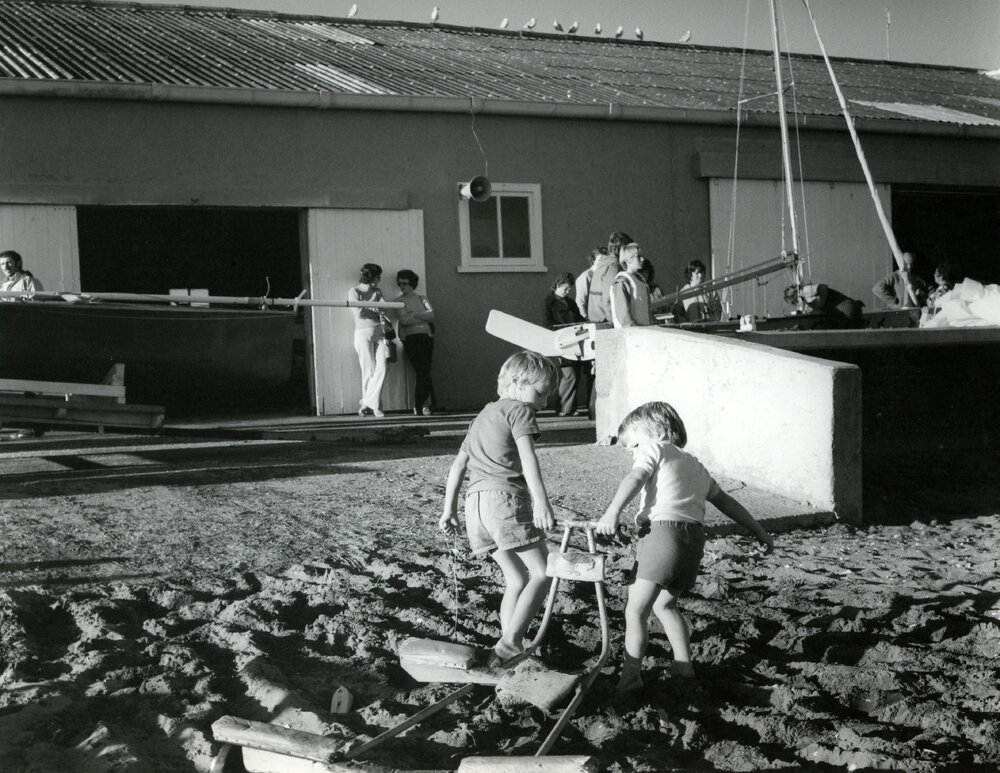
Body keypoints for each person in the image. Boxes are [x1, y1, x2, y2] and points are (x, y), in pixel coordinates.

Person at [596, 401, 773, 693]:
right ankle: (683, 666)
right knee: (665, 605)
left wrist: (612, 511)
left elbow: (635, 477)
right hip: (693, 542)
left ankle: (630, 678)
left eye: (634, 445)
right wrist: (759, 531)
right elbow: (727, 503)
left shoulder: (656, 449)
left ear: (659, 431)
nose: (634, 454)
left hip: (661, 534)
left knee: (635, 610)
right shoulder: (698, 467)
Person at [440, 350, 560, 667]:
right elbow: (529, 458)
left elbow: (458, 465)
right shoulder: (519, 410)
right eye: (540, 393)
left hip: (475, 507)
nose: (543, 403)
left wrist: (448, 509)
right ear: (518, 382)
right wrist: (541, 501)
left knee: (517, 579)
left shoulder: (482, 416)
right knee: (544, 571)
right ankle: (510, 643)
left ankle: (508, 650)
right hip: (504, 501)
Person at [349, 262, 390, 418]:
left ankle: (366, 402)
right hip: (362, 332)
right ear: (372, 277)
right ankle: (375, 407)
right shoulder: (354, 291)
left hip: (379, 331)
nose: (380, 280)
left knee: (383, 366)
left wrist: (371, 308)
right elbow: (358, 312)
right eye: (378, 276)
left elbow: (385, 308)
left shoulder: (377, 291)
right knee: (368, 369)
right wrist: (375, 308)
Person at [394, 269, 437, 415]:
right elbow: (404, 320)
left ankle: (424, 404)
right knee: (421, 371)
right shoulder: (399, 301)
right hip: (411, 339)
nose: (402, 286)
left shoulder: (422, 298)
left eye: (405, 283)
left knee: (425, 371)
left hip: (426, 337)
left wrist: (412, 314)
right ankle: (422, 405)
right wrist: (422, 317)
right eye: (400, 284)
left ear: (412, 283)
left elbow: (432, 315)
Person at [543, 272, 585, 416]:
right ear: (557, 285)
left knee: (575, 374)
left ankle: (570, 408)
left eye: (569, 289)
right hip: (560, 342)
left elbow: (580, 319)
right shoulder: (548, 302)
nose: (567, 291)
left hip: (575, 342)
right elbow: (547, 325)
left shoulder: (571, 303)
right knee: (570, 375)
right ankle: (563, 407)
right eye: (565, 288)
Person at [587, 232, 632, 325]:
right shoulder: (614, 267)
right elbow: (609, 298)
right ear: (621, 249)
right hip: (607, 323)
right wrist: (615, 322)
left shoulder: (603, 265)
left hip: (598, 321)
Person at [784, 283, 864, 329]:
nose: (797, 304)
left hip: (845, 308)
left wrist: (821, 305)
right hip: (843, 309)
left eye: (795, 302)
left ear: (795, 296)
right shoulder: (807, 299)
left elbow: (823, 287)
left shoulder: (805, 290)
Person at [609, 243, 653, 327]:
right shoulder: (622, 281)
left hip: (643, 332)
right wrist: (635, 330)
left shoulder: (641, 280)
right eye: (638, 256)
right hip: (629, 333)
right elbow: (624, 317)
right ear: (628, 260)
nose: (642, 259)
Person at [575, 247, 606, 319]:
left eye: (605, 260)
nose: (603, 262)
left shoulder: (604, 275)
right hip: (592, 319)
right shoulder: (586, 276)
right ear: (593, 260)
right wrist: (586, 319)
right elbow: (580, 302)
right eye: (600, 260)